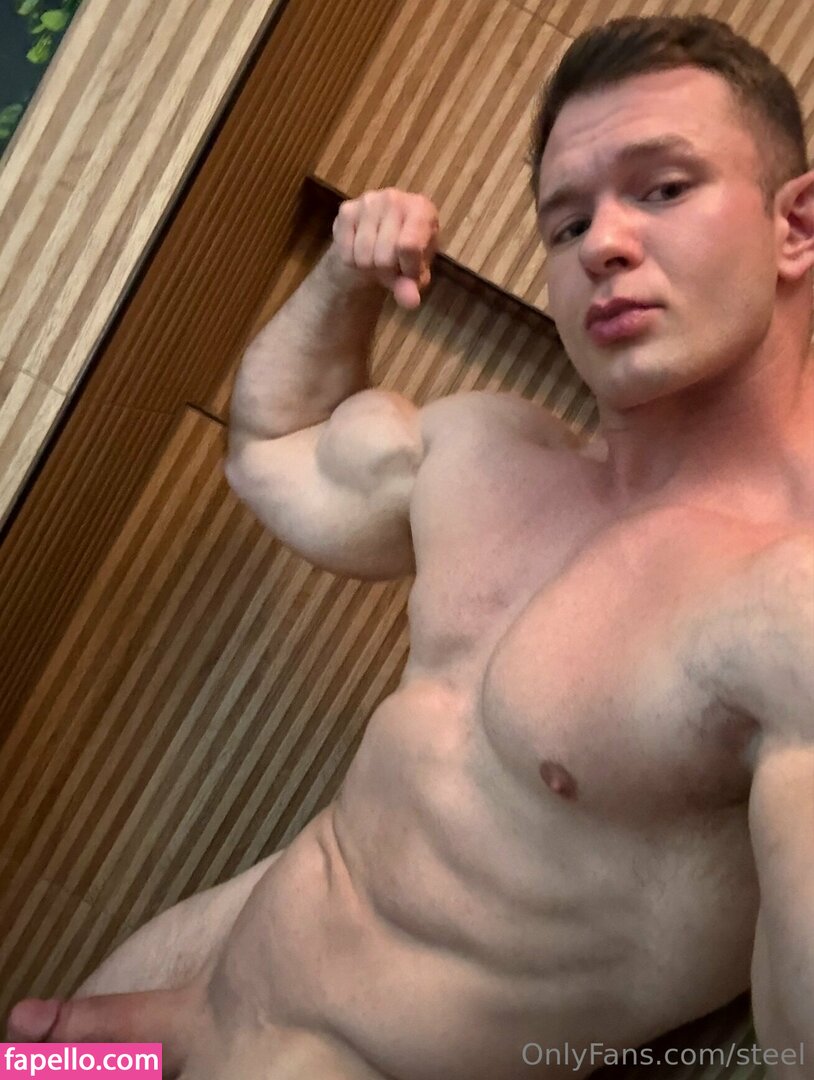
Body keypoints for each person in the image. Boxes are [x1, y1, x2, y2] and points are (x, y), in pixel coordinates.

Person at [7, 13, 814, 1079]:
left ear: (796, 227)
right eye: (566, 223)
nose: (603, 245)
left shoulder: (787, 607)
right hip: (160, 1016)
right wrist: (344, 276)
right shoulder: (490, 459)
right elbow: (270, 452)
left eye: (662, 189)